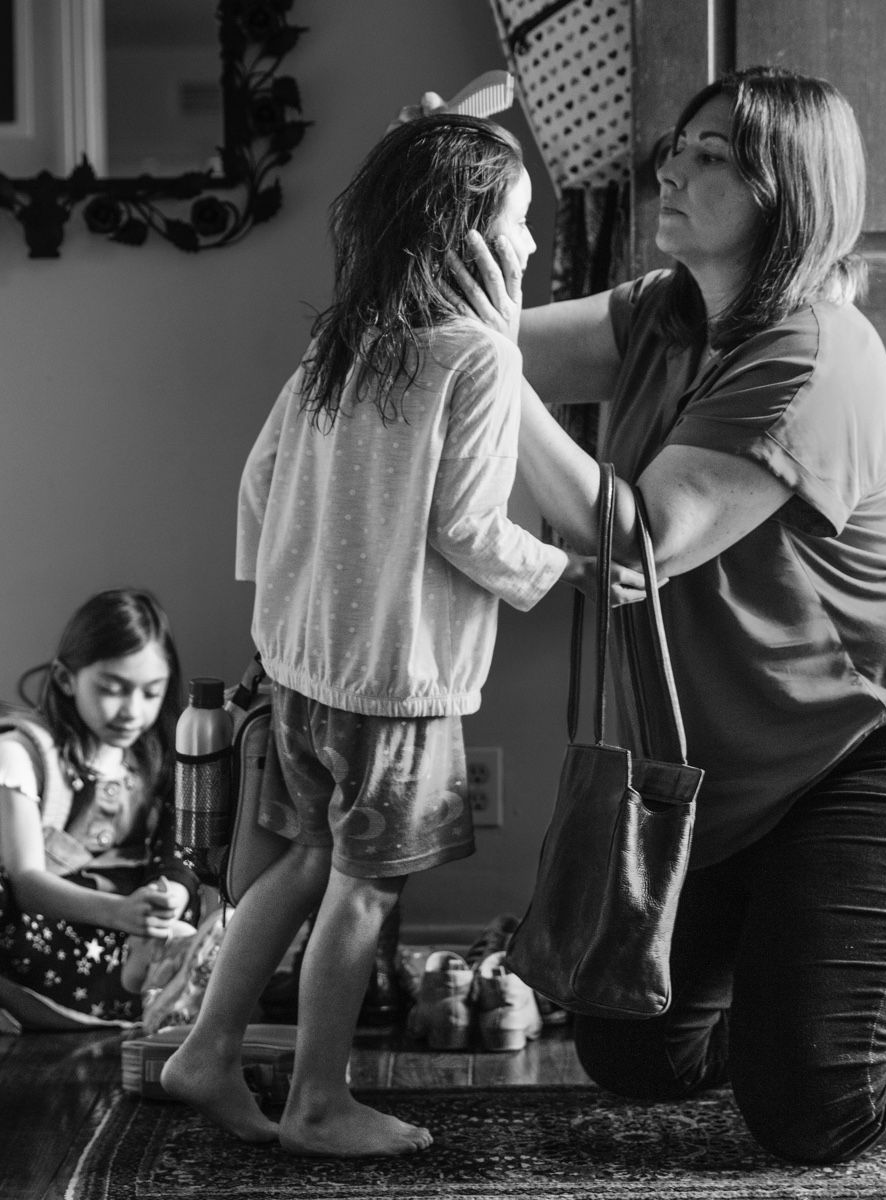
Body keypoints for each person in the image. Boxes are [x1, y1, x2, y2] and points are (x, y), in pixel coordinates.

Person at [437, 64, 886, 1166]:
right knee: (632, 1058)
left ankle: (837, 1010)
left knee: (814, 1119)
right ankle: (812, 981)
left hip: (855, 758)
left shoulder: (818, 357)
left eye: (712, 157)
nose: (672, 169)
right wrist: (442, 189)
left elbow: (641, 529)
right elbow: (470, 340)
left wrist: (497, 379)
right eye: (677, 147)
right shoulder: (661, 312)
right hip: (712, 778)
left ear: (785, 190)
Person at [160, 113, 606, 1158]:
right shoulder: (477, 358)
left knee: (309, 859)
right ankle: (318, 1101)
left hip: (305, 668)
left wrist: (290, 608)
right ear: (464, 239)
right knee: (366, 891)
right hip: (396, 687)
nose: (534, 246)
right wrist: (566, 570)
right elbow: (467, 529)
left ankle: (208, 1051)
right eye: (520, 223)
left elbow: (260, 481)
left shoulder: (343, 341)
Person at [0, 588, 200, 1030]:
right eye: (112, 690)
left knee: (192, 886)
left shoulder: (155, 759)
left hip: (126, 922)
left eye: (151, 693)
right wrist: (119, 913)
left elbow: (179, 852)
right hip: (47, 924)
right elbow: (28, 883)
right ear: (66, 679)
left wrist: (163, 903)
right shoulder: (23, 754)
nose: (132, 711)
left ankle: (149, 968)